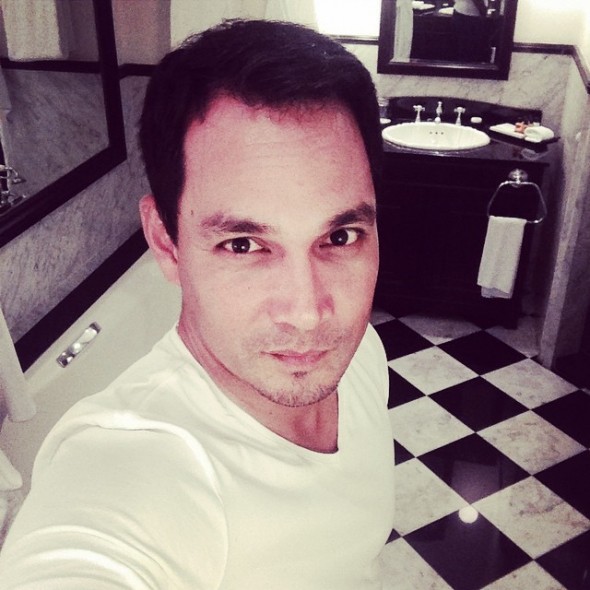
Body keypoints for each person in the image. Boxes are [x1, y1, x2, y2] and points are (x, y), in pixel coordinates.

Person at [0, 19, 394, 589]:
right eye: (244, 245)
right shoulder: (139, 462)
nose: (308, 314)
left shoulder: (362, 356)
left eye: (340, 237)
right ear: (166, 243)